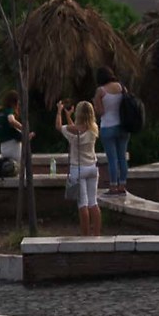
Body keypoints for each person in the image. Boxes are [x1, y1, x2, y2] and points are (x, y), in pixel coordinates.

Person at [55, 98, 103, 237]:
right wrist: (68, 116)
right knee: (93, 202)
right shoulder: (94, 128)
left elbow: (59, 127)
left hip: (78, 169)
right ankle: (97, 234)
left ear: (79, 114)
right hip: (92, 168)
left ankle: (85, 235)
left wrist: (59, 111)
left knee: (83, 204)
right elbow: (76, 129)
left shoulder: (74, 130)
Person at [96, 74, 134, 194]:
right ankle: (122, 185)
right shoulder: (122, 87)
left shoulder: (100, 91)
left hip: (107, 126)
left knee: (112, 159)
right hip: (123, 126)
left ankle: (113, 186)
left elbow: (100, 111)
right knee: (122, 157)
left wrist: (95, 102)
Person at [0, 94, 29, 173]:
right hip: (13, 146)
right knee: (18, 168)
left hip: (3, 146)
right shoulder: (8, 110)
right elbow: (11, 120)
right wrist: (23, 128)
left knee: (8, 169)